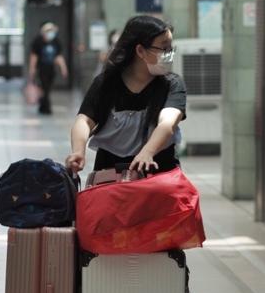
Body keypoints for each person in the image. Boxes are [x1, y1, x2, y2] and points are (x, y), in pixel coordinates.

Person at [66, 15, 186, 178]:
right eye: (164, 48)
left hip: (159, 174)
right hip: (110, 175)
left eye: (171, 48)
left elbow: (167, 123)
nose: (169, 53)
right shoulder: (107, 83)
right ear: (140, 51)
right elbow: (84, 120)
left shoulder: (172, 84)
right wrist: (78, 151)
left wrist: (148, 152)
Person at [27, 22, 68, 115]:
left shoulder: (56, 42)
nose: (50, 33)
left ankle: (42, 105)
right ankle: (47, 107)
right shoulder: (38, 41)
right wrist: (32, 69)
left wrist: (63, 68)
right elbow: (34, 57)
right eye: (48, 31)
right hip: (41, 69)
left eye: (52, 31)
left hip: (51, 69)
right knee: (44, 87)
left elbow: (58, 56)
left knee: (47, 88)